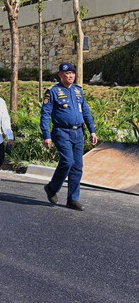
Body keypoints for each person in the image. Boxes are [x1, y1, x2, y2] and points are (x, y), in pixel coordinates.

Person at [40, 62, 97, 211]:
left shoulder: (78, 91)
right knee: (67, 161)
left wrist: (92, 130)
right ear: (60, 75)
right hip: (61, 132)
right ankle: (52, 187)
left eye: (72, 73)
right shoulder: (53, 92)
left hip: (78, 132)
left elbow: (86, 112)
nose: (70, 76)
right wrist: (47, 135)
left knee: (77, 167)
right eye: (67, 74)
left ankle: (72, 199)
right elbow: (45, 115)